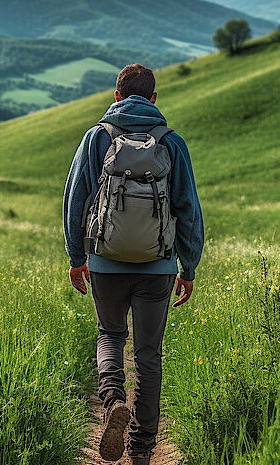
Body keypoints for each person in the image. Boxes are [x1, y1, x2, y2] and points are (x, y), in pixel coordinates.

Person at [62, 64, 204, 464]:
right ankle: (141, 449)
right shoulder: (171, 142)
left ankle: (111, 406)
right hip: (158, 266)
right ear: (154, 100)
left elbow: (74, 200)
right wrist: (187, 267)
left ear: (116, 96)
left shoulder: (96, 138)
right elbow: (188, 209)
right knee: (148, 355)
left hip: (104, 261)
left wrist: (77, 257)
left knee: (109, 336)